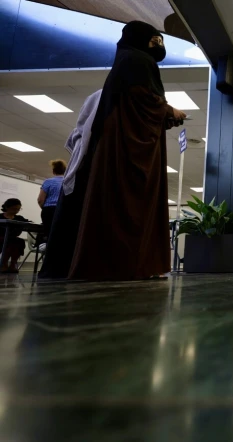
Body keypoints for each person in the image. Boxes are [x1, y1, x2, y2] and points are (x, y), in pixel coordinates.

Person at [51, 21, 186, 281]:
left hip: (122, 142)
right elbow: (143, 98)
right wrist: (169, 111)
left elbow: (140, 103)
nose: (159, 46)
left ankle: (126, 263)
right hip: (129, 147)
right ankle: (129, 263)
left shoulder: (125, 61)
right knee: (131, 202)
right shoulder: (138, 61)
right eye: (155, 40)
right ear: (141, 38)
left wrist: (164, 114)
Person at [39, 90, 101, 279]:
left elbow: (41, 199)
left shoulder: (52, 180)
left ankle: (57, 268)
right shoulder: (92, 147)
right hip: (73, 195)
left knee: (59, 233)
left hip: (53, 208)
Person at [37, 159, 66, 243]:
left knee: (49, 235)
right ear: (65, 171)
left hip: (49, 210)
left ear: (53, 171)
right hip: (63, 210)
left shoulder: (48, 182)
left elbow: (40, 200)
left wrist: (45, 208)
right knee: (61, 235)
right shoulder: (68, 182)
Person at [0, 199, 30, 273]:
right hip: (1, 237)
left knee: (19, 241)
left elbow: (28, 223)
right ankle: (4, 263)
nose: (16, 211)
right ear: (7, 207)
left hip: (12, 238)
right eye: (14, 209)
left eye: (18, 209)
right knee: (8, 241)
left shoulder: (19, 218)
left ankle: (13, 263)